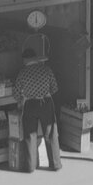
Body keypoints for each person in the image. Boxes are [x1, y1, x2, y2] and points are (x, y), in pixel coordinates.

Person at [13, 44, 61, 173]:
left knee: (30, 135)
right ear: (36, 58)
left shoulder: (22, 73)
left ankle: (30, 166)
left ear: (24, 60)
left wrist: (23, 98)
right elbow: (55, 88)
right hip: (46, 103)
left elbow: (16, 94)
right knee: (50, 134)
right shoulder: (46, 69)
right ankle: (55, 164)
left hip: (30, 105)